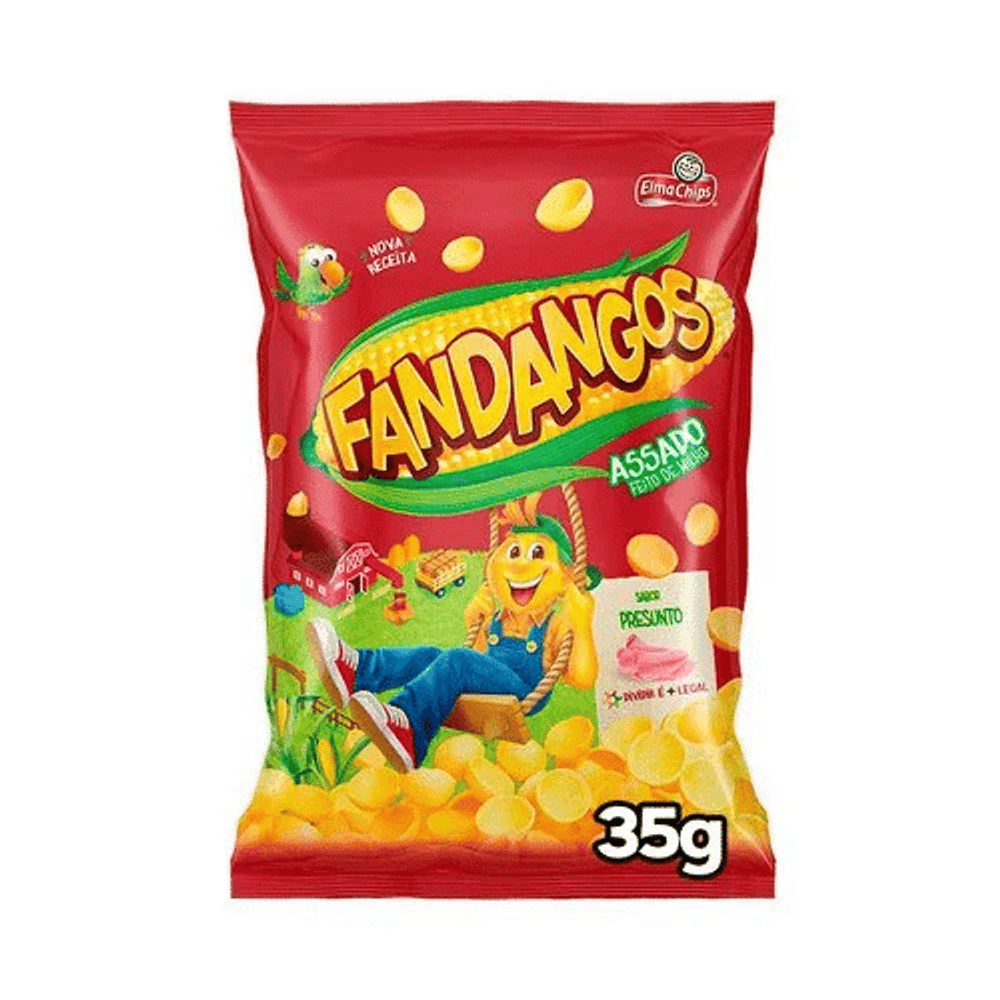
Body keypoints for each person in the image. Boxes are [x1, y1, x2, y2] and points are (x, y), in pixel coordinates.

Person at [306, 496, 598, 773]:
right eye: (513, 552)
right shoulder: (498, 617)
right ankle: (357, 671)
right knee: (431, 657)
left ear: (566, 577)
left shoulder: (557, 624)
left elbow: (582, 678)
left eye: (537, 554)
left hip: (524, 692)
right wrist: (475, 622)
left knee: (457, 660)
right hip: (495, 685)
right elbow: (481, 661)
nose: (520, 564)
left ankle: (410, 729)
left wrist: (582, 624)